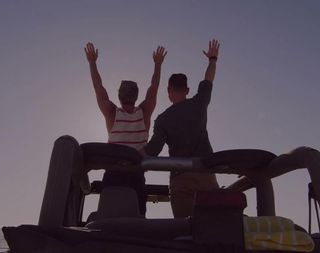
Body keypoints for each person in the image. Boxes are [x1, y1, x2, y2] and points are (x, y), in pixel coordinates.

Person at [84, 42, 167, 215]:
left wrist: (92, 62)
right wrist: (158, 65)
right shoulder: (144, 112)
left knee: (107, 218)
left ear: (119, 96)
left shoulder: (112, 114)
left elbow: (98, 87)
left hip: (114, 173)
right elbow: (154, 88)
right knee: (136, 221)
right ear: (136, 96)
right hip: (136, 173)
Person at [143, 39, 220, 218]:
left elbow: (152, 150)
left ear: (169, 91)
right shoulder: (199, 104)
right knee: (214, 225)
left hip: (180, 179)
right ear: (187, 90)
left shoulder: (163, 119)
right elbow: (208, 79)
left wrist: (134, 154)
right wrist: (213, 59)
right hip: (205, 174)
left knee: (185, 229)